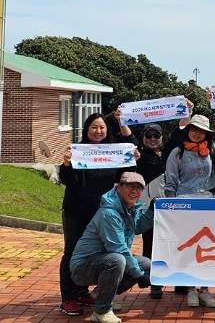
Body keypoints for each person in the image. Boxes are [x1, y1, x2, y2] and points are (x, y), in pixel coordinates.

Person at [59, 111, 136, 316]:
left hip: (102, 213)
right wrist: (66, 164)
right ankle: (68, 298)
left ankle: (83, 291)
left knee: (97, 251)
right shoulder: (77, 151)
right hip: (77, 211)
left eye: (102, 127)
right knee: (72, 252)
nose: (98, 131)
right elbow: (67, 180)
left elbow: (125, 170)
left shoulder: (112, 152)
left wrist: (133, 157)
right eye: (94, 127)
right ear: (87, 130)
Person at [164, 114, 215, 308]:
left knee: (208, 246)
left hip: (208, 202)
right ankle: (190, 288)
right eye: (194, 129)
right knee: (189, 246)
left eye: (202, 131)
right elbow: (170, 183)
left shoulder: (212, 150)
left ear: (207, 134)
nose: (197, 134)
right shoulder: (177, 153)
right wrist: (172, 209)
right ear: (188, 130)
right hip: (185, 204)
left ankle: (205, 289)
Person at [70, 172, 154, 323]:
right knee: (117, 260)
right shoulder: (109, 213)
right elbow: (118, 249)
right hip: (82, 268)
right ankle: (101, 311)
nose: (134, 191)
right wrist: (139, 275)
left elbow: (137, 228)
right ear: (119, 187)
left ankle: (100, 295)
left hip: (104, 260)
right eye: (130, 186)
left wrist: (151, 211)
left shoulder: (130, 208)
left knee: (146, 264)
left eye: (138, 188)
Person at [135, 123, 166, 300]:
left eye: (156, 135)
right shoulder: (138, 156)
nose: (153, 139)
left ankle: (180, 283)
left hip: (169, 208)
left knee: (171, 245)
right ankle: (154, 283)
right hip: (149, 207)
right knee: (150, 245)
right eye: (149, 136)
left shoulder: (169, 154)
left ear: (162, 137)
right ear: (143, 138)